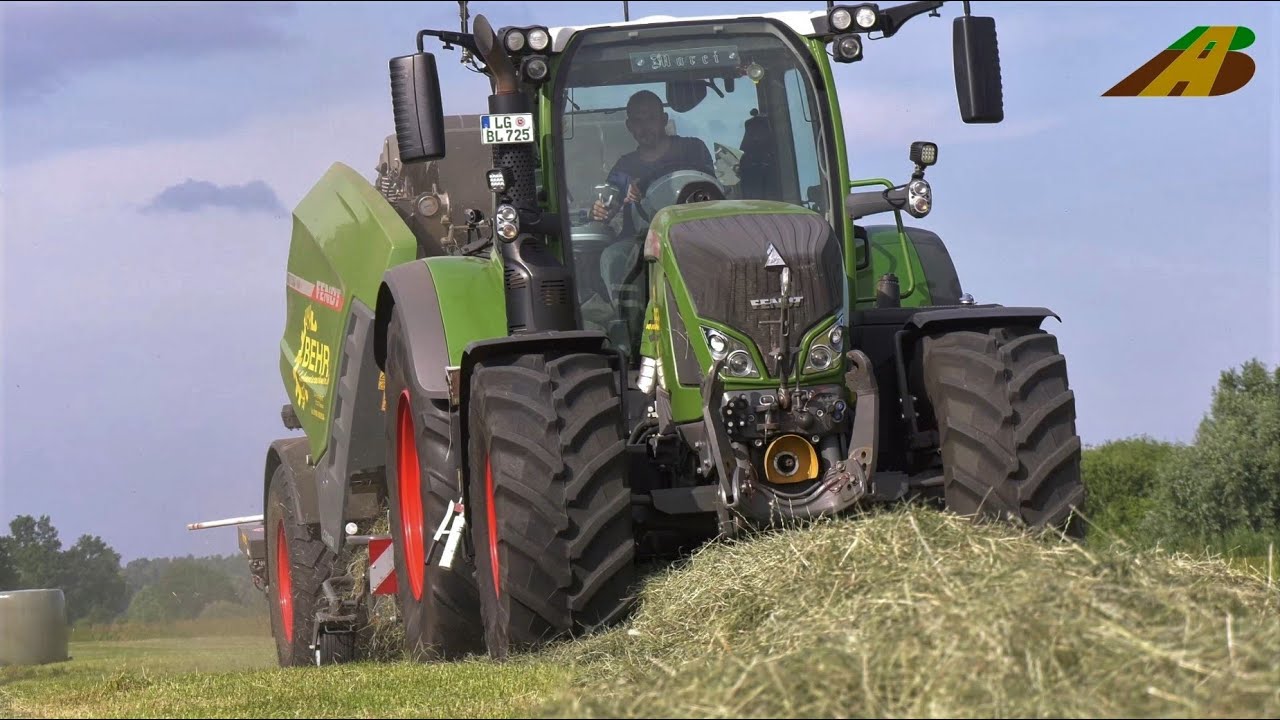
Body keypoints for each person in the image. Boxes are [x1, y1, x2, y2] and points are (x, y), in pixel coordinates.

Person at [590, 90, 715, 236]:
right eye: (638, 121)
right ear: (629, 126)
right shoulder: (624, 168)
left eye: (651, 118)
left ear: (664, 119)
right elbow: (609, 201)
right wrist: (601, 210)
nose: (645, 127)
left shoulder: (693, 150)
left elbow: (712, 193)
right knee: (612, 257)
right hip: (638, 247)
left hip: (695, 234)